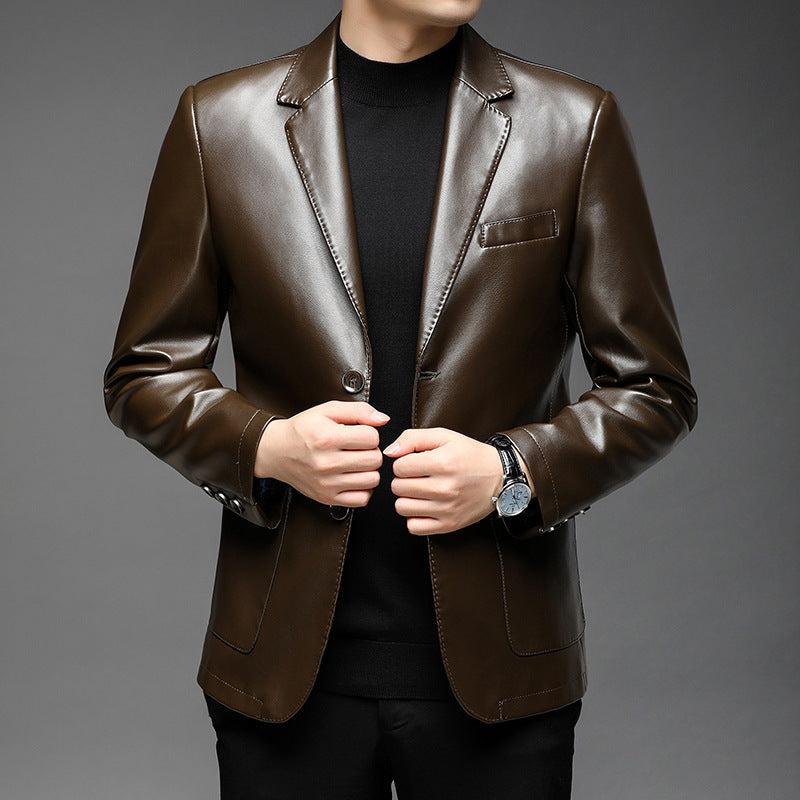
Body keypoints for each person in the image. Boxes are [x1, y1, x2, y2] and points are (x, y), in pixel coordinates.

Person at [102, 1, 698, 797]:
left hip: (503, 676)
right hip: (284, 672)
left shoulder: (571, 123)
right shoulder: (221, 122)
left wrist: (512, 471)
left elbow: (654, 388)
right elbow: (144, 372)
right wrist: (267, 447)